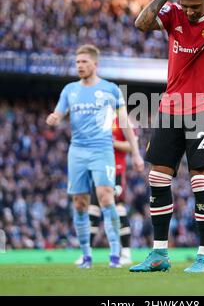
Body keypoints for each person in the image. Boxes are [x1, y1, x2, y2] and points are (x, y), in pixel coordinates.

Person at [129, 0, 204, 273]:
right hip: (170, 107)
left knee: (200, 180)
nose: (189, 11)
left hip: (203, 108)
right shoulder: (174, 11)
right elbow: (141, 23)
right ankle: (159, 255)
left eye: (195, 6)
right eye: (186, 5)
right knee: (157, 178)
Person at [46, 44, 144, 268]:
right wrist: (54, 118)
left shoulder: (110, 89)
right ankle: (86, 255)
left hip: (102, 150)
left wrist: (137, 154)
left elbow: (125, 123)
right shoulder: (69, 90)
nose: (79, 66)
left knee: (106, 197)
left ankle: (115, 255)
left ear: (95, 64)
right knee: (80, 203)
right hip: (77, 151)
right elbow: (59, 112)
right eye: (77, 62)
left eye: (84, 62)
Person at [77, 116, 136, 266]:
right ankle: (86, 254)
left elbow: (131, 144)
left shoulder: (122, 120)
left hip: (116, 171)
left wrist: (112, 142)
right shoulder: (97, 120)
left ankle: (126, 252)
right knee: (93, 209)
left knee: (119, 208)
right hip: (98, 172)